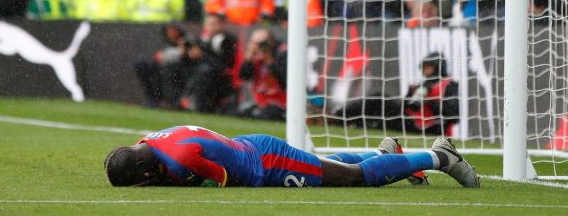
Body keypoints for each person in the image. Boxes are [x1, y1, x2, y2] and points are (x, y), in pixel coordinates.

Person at [104, 126, 480, 188]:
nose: (147, 182)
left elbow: (219, 180)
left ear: (141, 165)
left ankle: (439, 156)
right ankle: (385, 154)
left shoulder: (180, 158)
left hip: (267, 163)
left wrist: (177, 182)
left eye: (142, 178)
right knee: (327, 164)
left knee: (352, 178)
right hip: (251, 147)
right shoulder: (149, 141)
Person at [333, 52, 460, 137]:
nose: (425, 71)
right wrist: (410, 94)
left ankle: (352, 123)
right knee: (379, 99)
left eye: (429, 67)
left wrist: (430, 102)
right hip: (411, 121)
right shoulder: (423, 84)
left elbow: (454, 117)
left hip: (432, 129)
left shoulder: (449, 85)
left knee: (383, 124)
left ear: (438, 67)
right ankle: (339, 117)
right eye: (424, 68)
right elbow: (406, 108)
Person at [236, 28, 286, 120]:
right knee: (241, 111)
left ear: (270, 43)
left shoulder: (282, 54)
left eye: (260, 44)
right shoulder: (253, 58)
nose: (256, 46)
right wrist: (248, 60)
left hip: (280, 102)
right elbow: (243, 77)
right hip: (261, 101)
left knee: (262, 115)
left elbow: (285, 81)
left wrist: (270, 62)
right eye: (253, 43)